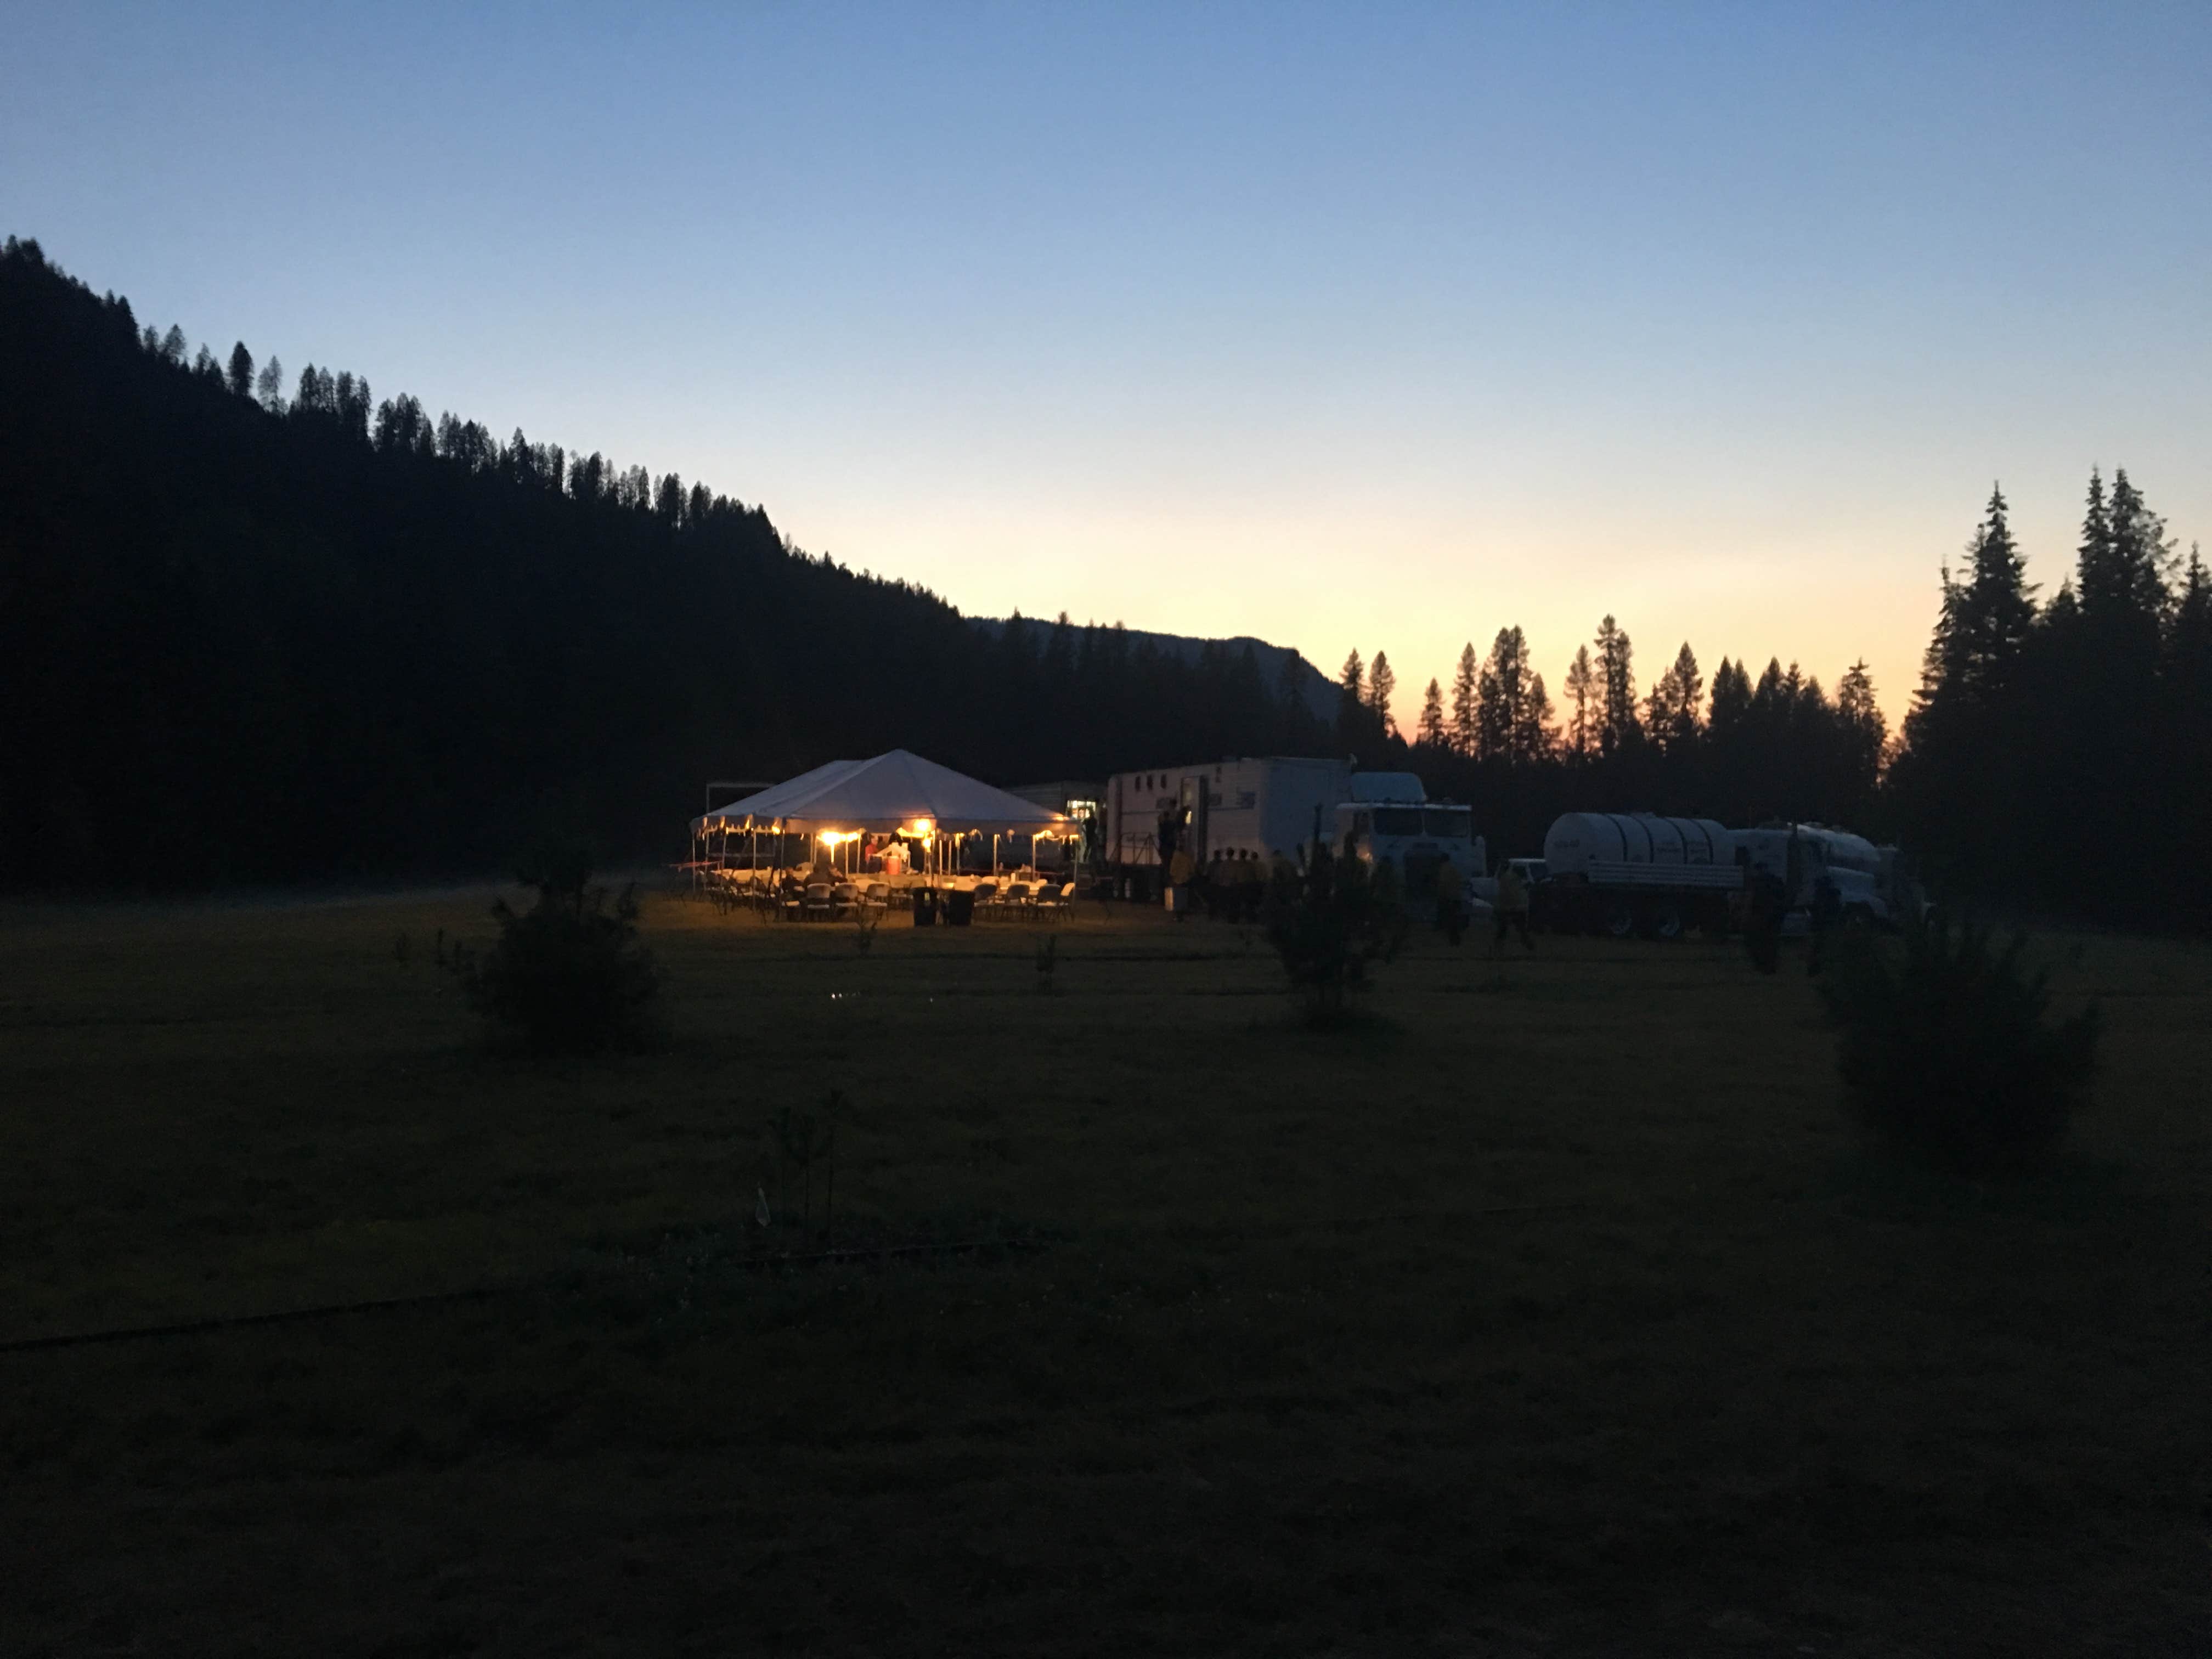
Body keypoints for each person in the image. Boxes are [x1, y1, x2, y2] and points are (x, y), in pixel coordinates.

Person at [1494, 860, 1534, 952]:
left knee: (1503, 929)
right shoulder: (1513, 878)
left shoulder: (1505, 879)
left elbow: (1509, 894)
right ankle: (1529, 946)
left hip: (1511, 907)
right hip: (1518, 907)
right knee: (1521, 929)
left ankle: (1498, 948)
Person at [1435, 857, 1466, 946]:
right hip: (1456, 898)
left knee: (1449, 920)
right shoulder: (1454, 869)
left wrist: (1440, 896)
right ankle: (1456, 938)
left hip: (1448, 898)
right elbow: (1460, 881)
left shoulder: (1443, 870)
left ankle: (1454, 940)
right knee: (1455, 918)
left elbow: (1442, 884)